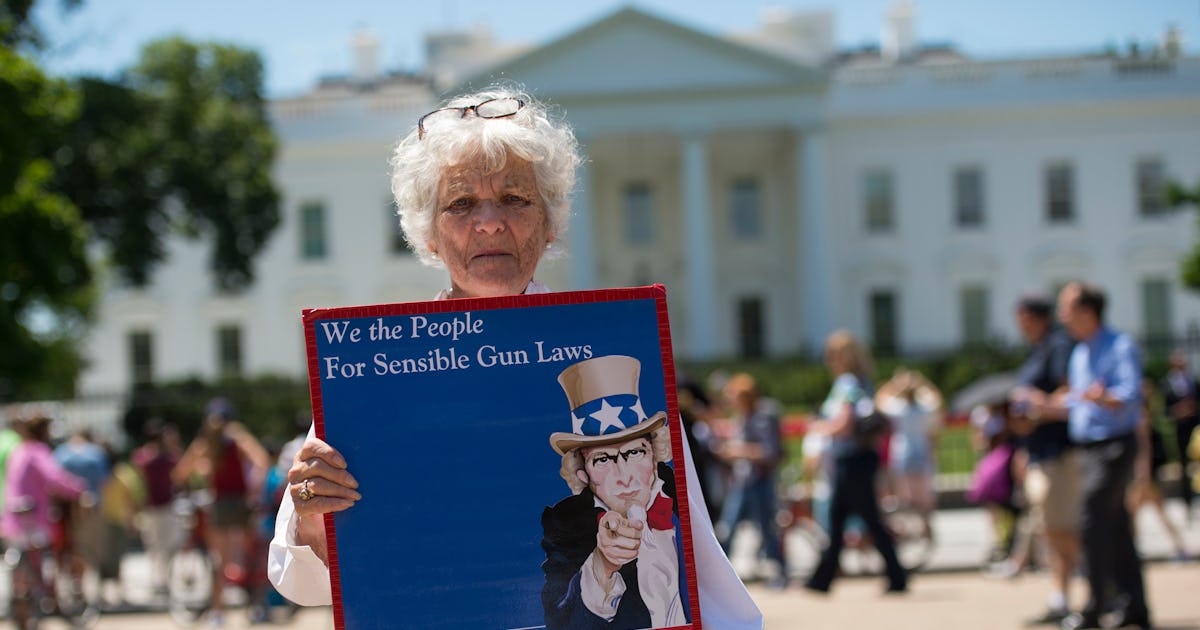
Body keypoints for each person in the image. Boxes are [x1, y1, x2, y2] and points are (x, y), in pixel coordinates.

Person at [266, 85, 763, 628]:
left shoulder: (616, 348)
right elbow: (306, 584)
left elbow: (687, 566)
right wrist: (318, 524)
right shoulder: (375, 367)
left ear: (549, 224)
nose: (489, 222)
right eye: (460, 204)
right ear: (429, 234)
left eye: (515, 198)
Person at [540, 355, 688, 628]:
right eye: (603, 460)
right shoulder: (565, 525)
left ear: (655, 455)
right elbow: (559, 621)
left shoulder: (684, 495)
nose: (624, 476)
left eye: (634, 452)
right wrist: (603, 566)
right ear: (583, 474)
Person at [1036, 281, 1151, 630]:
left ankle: (1096, 607)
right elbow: (1076, 402)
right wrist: (1044, 407)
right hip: (1090, 449)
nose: (1061, 313)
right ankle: (1135, 607)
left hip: (1113, 446)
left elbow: (1129, 395)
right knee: (1115, 527)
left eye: (1066, 307)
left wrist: (1103, 397)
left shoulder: (1119, 345)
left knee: (1090, 521)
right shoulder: (1081, 351)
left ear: (1088, 311)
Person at [803, 329, 907, 595]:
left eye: (832, 354)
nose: (827, 360)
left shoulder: (847, 384)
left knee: (865, 519)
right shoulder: (863, 381)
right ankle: (823, 578)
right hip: (860, 458)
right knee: (843, 521)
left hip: (851, 459)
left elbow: (844, 425)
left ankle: (894, 575)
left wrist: (818, 427)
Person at [1002, 293, 1082, 624]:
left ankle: (1087, 591)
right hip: (1040, 449)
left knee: (1061, 527)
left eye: (1022, 316)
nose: (1019, 324)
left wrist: (1037, 404)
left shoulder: (1058, 346)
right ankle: (1061, 597)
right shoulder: (1037, 350)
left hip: (1060, 450)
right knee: (1050, 527)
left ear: (1036, 316)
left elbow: (1069, 392)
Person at [174, 398, 270, 626]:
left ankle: (218, 612)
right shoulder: (237, 437)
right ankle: (257, 607)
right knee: (251, 557)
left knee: (220, 562)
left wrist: (203, 474)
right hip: (242, 503)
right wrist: (255, 489)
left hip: (219, 505)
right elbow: (262, 461)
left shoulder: (205, 443)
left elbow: (180, 473)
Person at [712, 373, 788, 589]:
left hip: (759, 482)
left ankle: (780, 571)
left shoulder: (762, 418)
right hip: (742, 481)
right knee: (728, 527)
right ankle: (720, 576)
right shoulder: (742, 417)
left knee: (766, 529)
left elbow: (769, 451)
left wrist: (737, 451)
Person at [875, 368, 942, 539]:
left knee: (903, 495)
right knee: (924, 493)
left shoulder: (899, 409)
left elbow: (880, 399)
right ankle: (925, 525)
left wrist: (895, 385)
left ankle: (905, 527)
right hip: (922, 453)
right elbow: (937, 400)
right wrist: (922, 383)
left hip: (902, 453)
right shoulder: (925, 408)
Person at [1129, 378, 1189, 561]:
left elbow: (1144, 449)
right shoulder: (1143, 414)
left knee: (1131, 514)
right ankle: (1178, 548)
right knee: (1147, 513)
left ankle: (1133, 551)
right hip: (1144, 474)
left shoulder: (1140, 416)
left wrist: (1143, 475)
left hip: (1143, 475)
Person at [130, 420, 182, 599]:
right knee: (157, 546)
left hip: (161, 506)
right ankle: (159, 580)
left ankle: (161, 580)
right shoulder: (152, 457)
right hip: (156, 507)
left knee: (159, 546)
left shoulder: (152, 457)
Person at [1161, 349, 1198, 517]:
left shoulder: (1193, 380)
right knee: (1183, 466)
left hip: (1195, 427)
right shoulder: (1166, 383)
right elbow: (1164, 412)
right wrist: (1178, 412)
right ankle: (1187, 501)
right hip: (1180, 430)